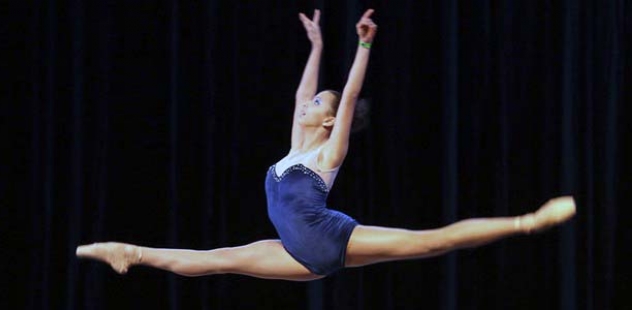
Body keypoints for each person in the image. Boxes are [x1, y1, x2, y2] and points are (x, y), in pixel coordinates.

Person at [77, 9, 576, 281]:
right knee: (215, 259)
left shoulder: (326, 156)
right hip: (298, 255)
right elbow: (299, 93)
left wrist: (362, 45)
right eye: (310, 100)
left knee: (430, 241)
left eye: (317, 102)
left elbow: (351, 94)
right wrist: (315, 47)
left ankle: (526, 222)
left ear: (333, 119)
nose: (305, 104)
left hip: (330, 238)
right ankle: (131, 252)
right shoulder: (296, 147)